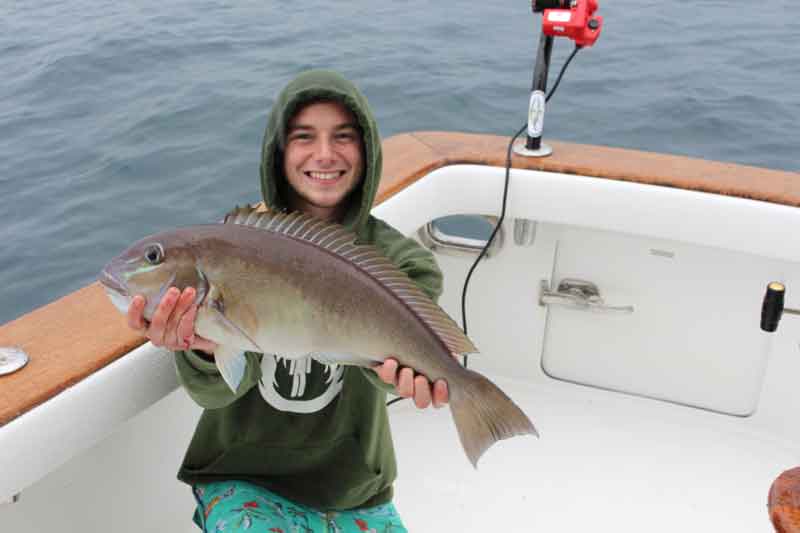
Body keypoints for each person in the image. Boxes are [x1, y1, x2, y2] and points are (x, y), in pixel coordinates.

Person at [126, 70, 450, 532]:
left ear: (369, 149)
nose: (324, 154)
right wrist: (202, 346)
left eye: (343, 136)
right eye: (303, 137)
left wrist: (412, 378)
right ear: (278, 152)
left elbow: (396, 377)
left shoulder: (405, 265)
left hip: (356, 487)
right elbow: (216, 392)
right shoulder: (233, 242)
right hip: (241, 477)